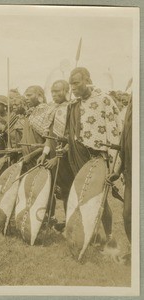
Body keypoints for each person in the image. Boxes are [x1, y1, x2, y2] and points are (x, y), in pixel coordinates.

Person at [66, 67, 122, 244]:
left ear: (87, 80)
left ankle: (110, 236)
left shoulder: (105, 100)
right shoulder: (74, 105)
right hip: (79, 156)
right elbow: (72, 133)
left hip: (100, 157)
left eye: (76, 83)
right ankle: (91, 234)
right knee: (84, 197)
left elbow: (115, 132)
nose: (72, 88)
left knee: (101, 199)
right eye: (70, 84)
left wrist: (113, 163)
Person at [37, 80, 74, 229]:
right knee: (51, 189)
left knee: (67, 192)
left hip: (65, 157)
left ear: (66, 91)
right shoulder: (52, 109)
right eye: (52, 91)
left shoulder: (72, 109)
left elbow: (73, 138)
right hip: (51, 154)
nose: (54, 94)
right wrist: (45, 153)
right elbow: (49, 136)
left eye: (58, 91)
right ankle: (50, 219)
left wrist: (57, 157)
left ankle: (69, 223)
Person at [107, 96, 132, 263]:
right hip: (131, 172)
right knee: (128, 214)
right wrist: (118, 171)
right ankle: (134, 249)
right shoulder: (130, 108)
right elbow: (124, 144)